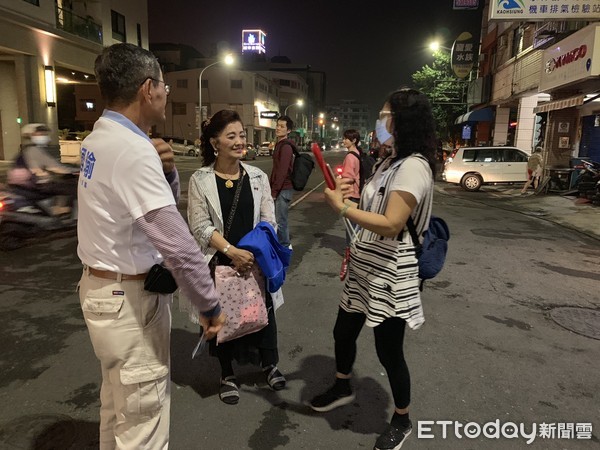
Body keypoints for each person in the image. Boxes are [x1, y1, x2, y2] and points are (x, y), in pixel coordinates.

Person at [77, 43, 225, 450]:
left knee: (117, 410)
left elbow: (139, 211)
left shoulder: (99, 137)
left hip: (101, 291)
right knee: (143, 427)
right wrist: (210, 306)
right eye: (163, 86)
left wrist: (170, 170)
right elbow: (177, 244)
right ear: (148, 89)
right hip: (130, 302)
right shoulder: (132, 150)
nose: (166, 94)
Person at [309, 88, 436, 450]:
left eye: (385, 115)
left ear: (401, 120)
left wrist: (341, 208)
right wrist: (348, 194)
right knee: (343, 330)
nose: (379, 122)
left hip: (391, 272)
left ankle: (402, 417)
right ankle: (342, 382)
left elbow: (392, 223)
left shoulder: (413, 166)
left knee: (388, 350)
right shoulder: (388, 162)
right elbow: (375, 210)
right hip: (364, 265)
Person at [187, 109, 286, 405]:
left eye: (242, 134)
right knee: (225, 317)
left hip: (255, 260)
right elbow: (199, 226)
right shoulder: (200, 179)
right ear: (215, 142)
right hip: (220, 260)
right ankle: (227, 374)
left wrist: (256, 248)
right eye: (232, 136)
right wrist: (231, 251)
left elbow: (269, 217)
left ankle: (269, 364)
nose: (240, 141)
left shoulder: (256, 176)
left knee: (262, 314)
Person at [7, 123, 78, 216]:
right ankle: (61, 210)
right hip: (35, 186)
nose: (44, 136)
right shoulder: (33, 150)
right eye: (40, 134)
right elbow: (54, 167)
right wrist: (74, 171)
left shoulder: (26, 150)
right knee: (71, 187)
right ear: (30, 136)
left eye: (44, 134)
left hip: (25, 186)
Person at [338, 129, 362, 280]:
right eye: (344, 138)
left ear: (354, 140)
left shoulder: (350, 157)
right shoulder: (358, 154)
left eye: (347, 139)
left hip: (351, 195)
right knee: (357, 227)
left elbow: (347, 178)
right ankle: (355, 252)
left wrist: (342, 197)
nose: (344, 141)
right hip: (359, 194)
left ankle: (351, 255)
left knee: (350, 229)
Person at [269, 115, 295, 248]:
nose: (278, 128)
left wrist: (274, 191)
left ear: (288, 130)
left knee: (281, 221)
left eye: (282, 126)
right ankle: (281, 245)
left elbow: (282, 171)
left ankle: (285, 247)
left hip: (283, 189)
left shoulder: (286, 147)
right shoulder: (279, 145)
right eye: (277, 125)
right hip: (280, 188)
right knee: (276, 220)